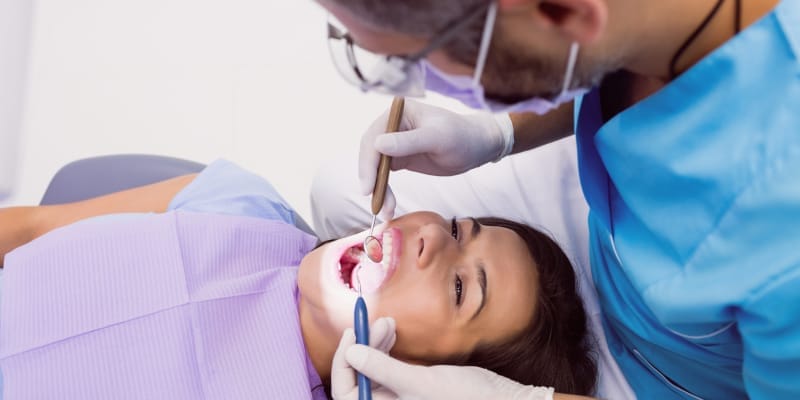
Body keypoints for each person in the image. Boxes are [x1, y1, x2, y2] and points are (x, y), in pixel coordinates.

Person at [312, 0, 800, 399]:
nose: (435, 234)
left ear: (564, 13)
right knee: (340, 188)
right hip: (603, 239)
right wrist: (499, 132)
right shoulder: (654, 20)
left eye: (423, 59)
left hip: (666, 380)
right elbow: (605, 50)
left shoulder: (779, 234)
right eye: (459, 226)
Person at [0, 160, 597, 399]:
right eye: (457, 229)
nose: (431, 238)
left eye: (462, 288)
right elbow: (28, 230)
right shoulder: (237, 203)